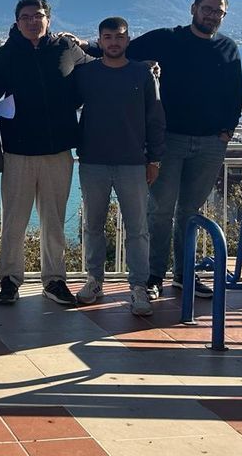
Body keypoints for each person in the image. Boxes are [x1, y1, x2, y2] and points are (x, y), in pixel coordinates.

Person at [118, 0, 242, 300]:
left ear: (224, 16)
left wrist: (227, 130)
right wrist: (81, 47)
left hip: (211, 143)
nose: (211, 15)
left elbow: (234, 93)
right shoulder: (166, 39)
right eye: (207, 9)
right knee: (160, 210)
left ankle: (185, 275)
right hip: (168, 140)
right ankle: (153, 276)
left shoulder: (228, 48)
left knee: (190, 211)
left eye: (218, 11)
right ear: (193, 8)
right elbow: (119, 52)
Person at [0, 0, 93, 306]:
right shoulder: (4, 54)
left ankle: (55, 280)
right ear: (16, 22)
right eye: (25, 17)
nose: (32, 21)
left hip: (57, 149)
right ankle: (9, 280)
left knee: (54, 220)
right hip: (18, 150)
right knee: (14, 220)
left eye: (38, 15)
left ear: (49, 18)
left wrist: (143, 68)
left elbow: (98, 69)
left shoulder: (66, 48)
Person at [70, 17, 165, 316]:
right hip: (92, 161)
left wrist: (154, 159)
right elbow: (63, 104)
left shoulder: (143, 74)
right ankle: (94, 280)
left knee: (137, 229)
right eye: (108, 37)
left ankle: (139, 286)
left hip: (133, 163)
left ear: (128, 39)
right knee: (93, 225)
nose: (113, 42)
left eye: (119, 36)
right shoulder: (86, 74)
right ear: (99, 40)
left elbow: (155, 118)